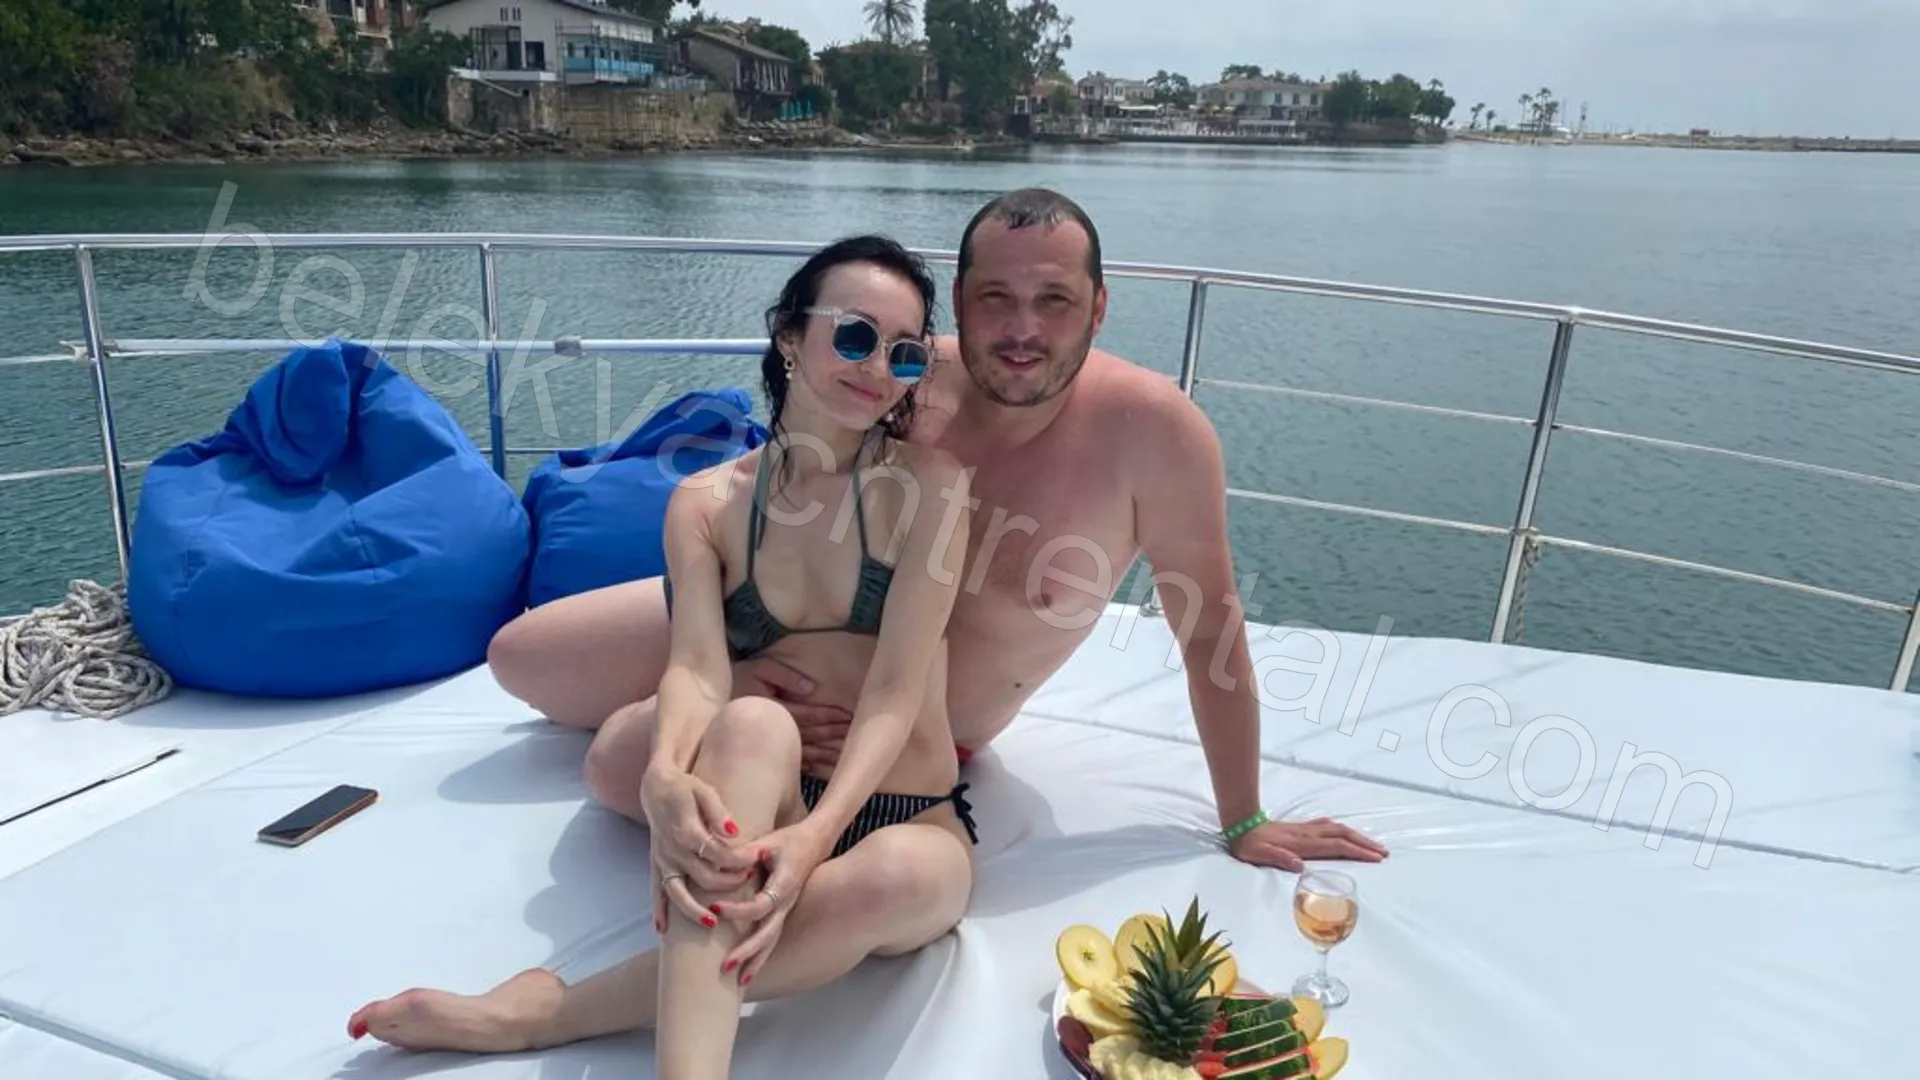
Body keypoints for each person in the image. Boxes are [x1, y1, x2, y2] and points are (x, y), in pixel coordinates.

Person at [348, 235, 979, 1069]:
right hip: (773, 795)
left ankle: (549, 1013)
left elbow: (897, 688)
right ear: (790, 334)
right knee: (748, 725)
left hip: (909, 814)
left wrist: (816, 839)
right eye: (855, 336)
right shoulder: (705, 505)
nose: (876, 369)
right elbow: (696, 669)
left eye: (904, 354)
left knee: (887, 879)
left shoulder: (933, 489)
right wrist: (664, 777)